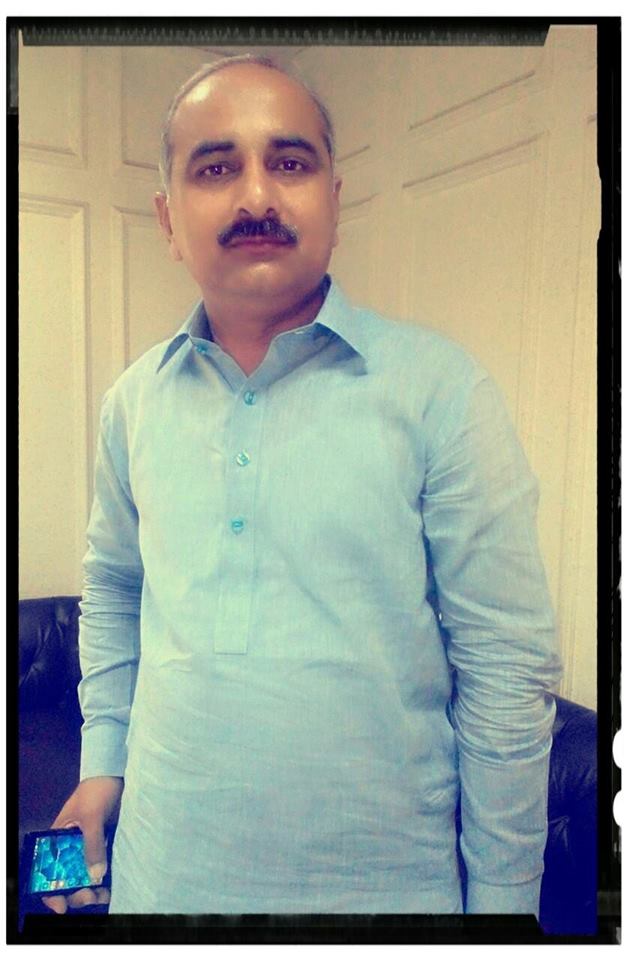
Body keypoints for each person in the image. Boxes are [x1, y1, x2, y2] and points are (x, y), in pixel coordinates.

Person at [45, 54, 562, 917]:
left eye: (289, 162)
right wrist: (103, 765)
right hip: (156, 883)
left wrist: (507, 906)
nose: (256, 196)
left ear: (333, 198)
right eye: (216, 168)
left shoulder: (440, 390)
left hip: (388, 901)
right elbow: (114, 586)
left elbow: (504, 667)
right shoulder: (131, 402)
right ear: (168, 218)